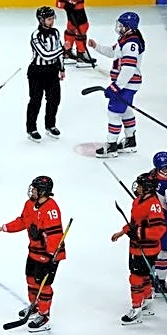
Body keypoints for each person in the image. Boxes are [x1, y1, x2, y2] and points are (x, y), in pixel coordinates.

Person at [0, 176, 66, 332]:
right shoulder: (29, 204)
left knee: (43, 285)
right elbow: (22, 221)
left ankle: (44, 315)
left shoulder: (51, 209)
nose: (32, 191)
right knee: (31, 280)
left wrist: (51, 257)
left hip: (48, 255)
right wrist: (2, 228)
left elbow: (55, 236)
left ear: (44, 192)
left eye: (35, 189)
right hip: (33, 251)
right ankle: (35, 305)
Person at [110, 171, 165, 324]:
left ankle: (136, 308)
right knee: (145, 275)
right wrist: (123, 232)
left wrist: (139, 233)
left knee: (136, 278)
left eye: (140, 185)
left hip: (146, 249)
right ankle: (147, 299)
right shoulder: (138, 201)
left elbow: (159, 230)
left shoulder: (154, 205)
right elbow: (135, 223)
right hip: (136, 247)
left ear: (147, 187)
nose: (137, 187)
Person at [89, 12, 144, 158]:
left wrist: (116, 86)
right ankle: (130, 142)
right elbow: (113, 52)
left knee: (114, 113)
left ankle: (111, 146)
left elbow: (128, 68)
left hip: (127, 84)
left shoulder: (131, 43)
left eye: (122, 25)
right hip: (126, 84)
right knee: (125, 111)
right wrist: (96, 47)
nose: (119, 27)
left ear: (129, 27)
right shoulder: (125, 39)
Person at [26, 7, 65, 143]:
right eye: (49, 19)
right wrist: (63, 49)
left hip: (52, 72)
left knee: (54, 99)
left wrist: (62, 68)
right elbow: (45, 54)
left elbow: (59, 52)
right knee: (35, 101)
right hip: (37, 72)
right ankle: (31, 128)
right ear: (41, 20)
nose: (52, 21)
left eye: (53, 18)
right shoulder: (36, 35)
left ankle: (50, 125)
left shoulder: (56, 33)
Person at [56, 0, 96, 67]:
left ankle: (67, 53)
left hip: (70, 3)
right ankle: (81, 56)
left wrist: (65, 4)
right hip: (75, 4)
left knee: (71, 26)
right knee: (82, 27)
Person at [152, 151, 167, 293]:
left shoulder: (151, 177)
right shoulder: (164, 185)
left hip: (155, 221)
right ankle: (159, 281)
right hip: (162, 223)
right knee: (163, 252)